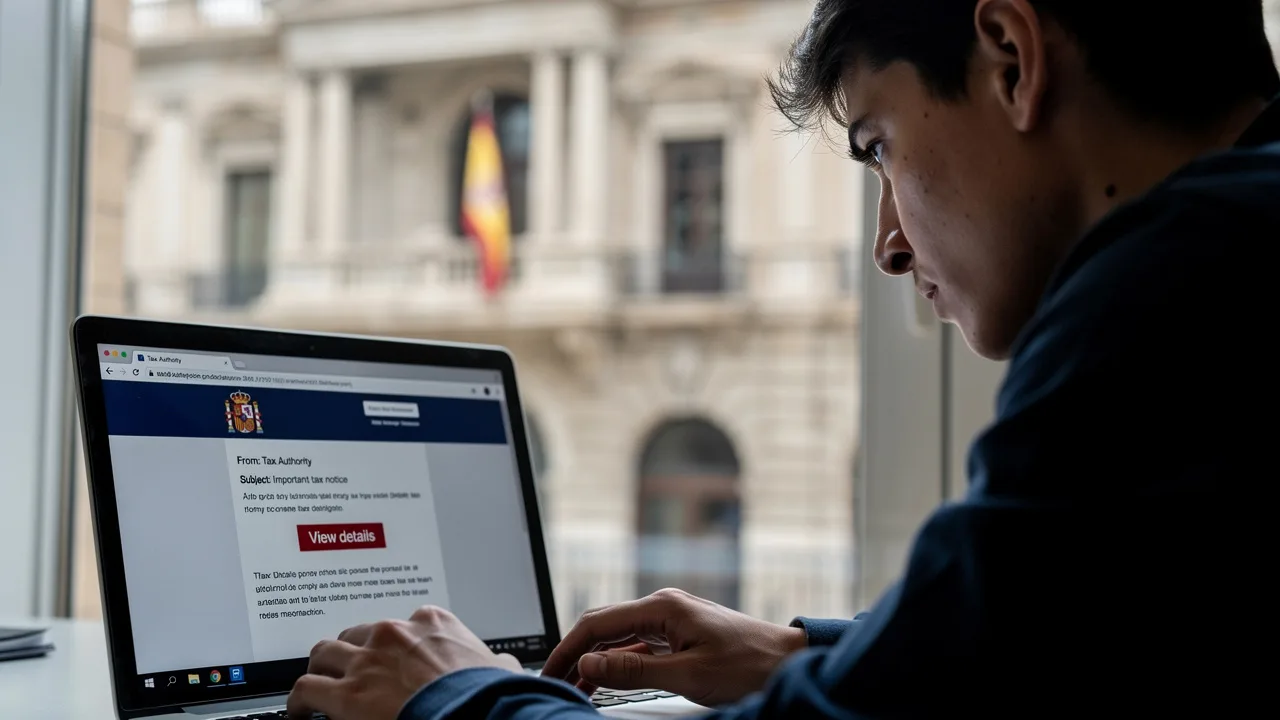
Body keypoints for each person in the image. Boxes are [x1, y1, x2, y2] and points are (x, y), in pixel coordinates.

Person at [287, 1, 1278, 717]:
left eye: (878, 147)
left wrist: (456, 698)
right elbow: (1048, 652)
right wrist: (803, 655)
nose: (887, 242)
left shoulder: (1178, 282)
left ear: (1011, 59)